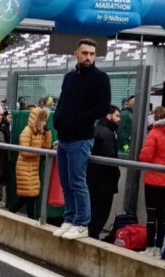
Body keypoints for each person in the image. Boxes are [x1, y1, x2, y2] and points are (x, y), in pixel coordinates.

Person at [52, 38, 112, 240]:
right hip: (64, 137)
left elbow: (103, 107)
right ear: (76, 54)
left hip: (81, 138)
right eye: (85, 53)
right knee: (66, 182)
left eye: (92, 54)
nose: (88, 57)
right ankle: (69, 219)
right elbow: (63, 102)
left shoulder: (100, 78)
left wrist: (77, 120)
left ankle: (82, 223)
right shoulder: (70, 77)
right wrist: (58, 120)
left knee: (78, 182)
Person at [139, 104, 165, 254]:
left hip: (153, 180)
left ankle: (150, 247)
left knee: (151, 214)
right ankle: (159, 248)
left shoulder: (154, 133)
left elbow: (145, 157)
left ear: (155, 118)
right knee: (162, 214)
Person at [87, 105, 121, 239]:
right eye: (117, 116)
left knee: (91, 209)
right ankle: (93, 237)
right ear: (108, 116)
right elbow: (109, 159)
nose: (119, 119)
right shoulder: (108, 134)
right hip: (104, 182)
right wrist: (116, 174)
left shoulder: (94, 130)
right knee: (101, 212)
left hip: (91, 178)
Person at [12, 106, 52, 219]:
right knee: (29, 195)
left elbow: (46, 147)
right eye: (42, 119)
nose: (44, 122)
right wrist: (38, 153)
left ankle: (16, 213)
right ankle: (28, 217)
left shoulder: (39, 132)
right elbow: (24, 151)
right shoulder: (27, 131)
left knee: (32, 194)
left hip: (33, 167)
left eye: (45, 119)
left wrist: (48, 132)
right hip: (24, 167)